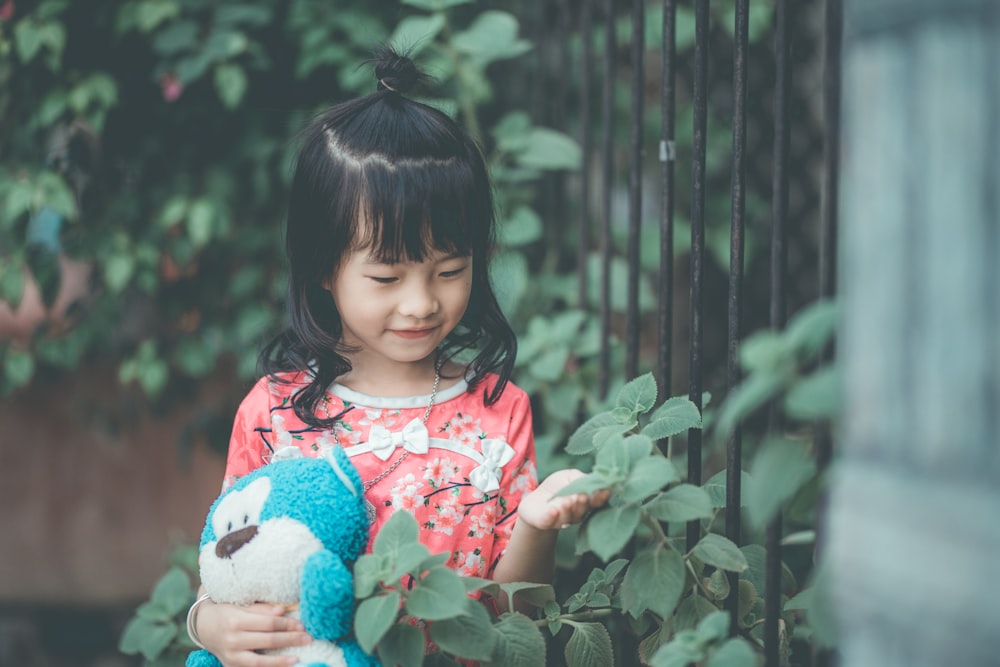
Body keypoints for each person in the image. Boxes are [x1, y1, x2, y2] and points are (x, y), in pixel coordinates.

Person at [187, 46, 608, 667]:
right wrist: (210, 626)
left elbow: (518, 615)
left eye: (450, 271)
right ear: (323, 269)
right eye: (386, 277)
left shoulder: (497, 411)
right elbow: (226, 566)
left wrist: (537, 526)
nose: (421, 304)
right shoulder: (273, 412)